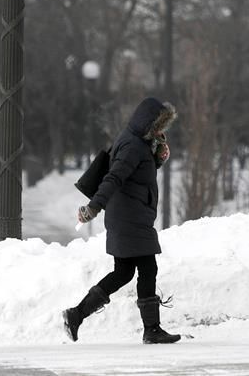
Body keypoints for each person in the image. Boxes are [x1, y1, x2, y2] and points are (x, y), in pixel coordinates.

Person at [63, 97, 181, 344]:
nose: (161, 132)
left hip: (129, 215)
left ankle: (76, 314)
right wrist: (94, 206)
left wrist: (158, 159)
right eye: (158, 126)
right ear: (148, 123)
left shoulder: (137, 142)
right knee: (148, 268)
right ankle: (152, 329)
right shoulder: (132, 146)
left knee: (123, 272)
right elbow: (114, 178)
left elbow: (136, 175)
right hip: (130, 218)